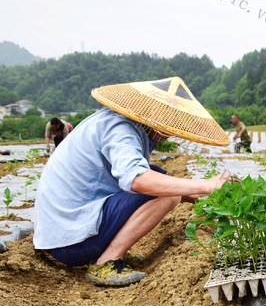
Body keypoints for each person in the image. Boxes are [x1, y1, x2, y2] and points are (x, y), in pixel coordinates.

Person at [33, 77, 235, 286]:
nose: (170, 132)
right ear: (152, 114)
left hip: (63, 232)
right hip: (70, 243)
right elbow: (138, 181)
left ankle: (109, 249)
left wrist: (198, 196)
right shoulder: (120, 128)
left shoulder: (116, 121)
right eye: (167, 124)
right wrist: (206, 185)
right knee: (165, 190)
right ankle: (106, 262)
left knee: (157, 175)